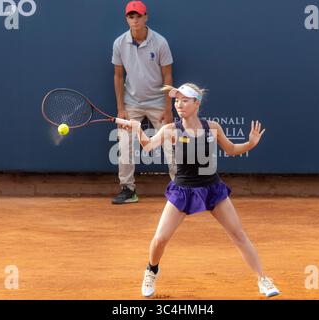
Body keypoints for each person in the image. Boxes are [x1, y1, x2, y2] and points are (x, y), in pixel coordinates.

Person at [126, 83, 280, 298]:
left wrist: (250, 144)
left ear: (197, 103)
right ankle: (151, 271)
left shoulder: (213, 128)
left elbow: (231, 149)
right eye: (177, 100)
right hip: (183, 190)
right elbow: (149, 146)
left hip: (212, 189)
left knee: (238, 235)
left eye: (185, 100)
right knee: (160, 238)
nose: (179, 104)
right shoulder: (170, 129)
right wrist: (137, 129)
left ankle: (263, 279)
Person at [111, 0, 176, 204]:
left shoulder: (160, 42)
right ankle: (128, 189)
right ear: (126, 19)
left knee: (170, 145)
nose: (135, 20)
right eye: (131, 16)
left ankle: (181, 188)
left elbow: (168, 77)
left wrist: (168, 108)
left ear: (146, 17)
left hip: (158, 101)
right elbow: (118, 77)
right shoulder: (119, 43)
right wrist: (121, 109)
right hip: (132, 103)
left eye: (139, 16)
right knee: (125, 144)